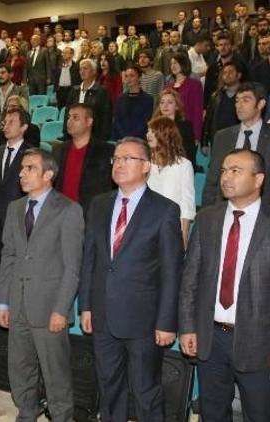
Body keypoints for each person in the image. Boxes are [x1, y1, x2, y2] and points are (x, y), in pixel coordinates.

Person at [180, 148, 270, 421]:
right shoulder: (206, 219)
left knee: (259, 415)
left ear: (258, 179)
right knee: (212, 413)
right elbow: (191, 279)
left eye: (235, 170)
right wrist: (188, 326)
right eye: (224, 170)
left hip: (260, 343)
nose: (226, 177)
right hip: (211, 339)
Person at [80, 137, 183, 421]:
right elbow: (90, 258)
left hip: (144, 321)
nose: (119, 164)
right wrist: (86, 305)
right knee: (108, 389)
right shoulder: (99, 204)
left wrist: (166, 322)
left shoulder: (164, 210)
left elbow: (172, 271)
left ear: (146, 166)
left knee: (145, 392)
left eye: (128, 158)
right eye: (116, 158)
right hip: (103, 316)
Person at [0, 148, 84, 422]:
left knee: (55, 377)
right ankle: (27, 414)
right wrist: (2, 301)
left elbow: (73, 267)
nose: (21, 173)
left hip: (49, 310)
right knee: (20, 371)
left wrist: (61, 309)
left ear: (48, 175)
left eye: (30, 168)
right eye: (22, 168)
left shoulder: (69, 210)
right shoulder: (14, 208)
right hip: (18, 305)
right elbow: (8, 255)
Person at [203, 83, 270, 211]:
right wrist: (208, 214)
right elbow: (212, 181)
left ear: (261, 104)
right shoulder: (222, 136)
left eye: (246, 100)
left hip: (264, 214)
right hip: (225, 210)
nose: (239, 106)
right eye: (237, 101)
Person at [53, 103, 115, 214]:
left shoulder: (105, 151)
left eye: (75, 117)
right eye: (69, 117)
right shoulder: (58, 149)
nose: (69, 121)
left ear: (89, 122)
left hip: (90, 214)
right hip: (59, 213)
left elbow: (108, 188)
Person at [0, 107, 33, 240]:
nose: (6, 125)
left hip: (18, 218)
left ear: (23, 127)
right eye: (5, 122)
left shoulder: (31, 154)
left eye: (11, 122)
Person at [146, 118, 196, 246]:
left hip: (171, 225)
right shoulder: (144, 162)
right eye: (148, 131)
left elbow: (187, 203)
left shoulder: (184, 165)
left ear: (166, 135)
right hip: (146, 224)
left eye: (153, 131)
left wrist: (184, 234)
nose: (148, 134)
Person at [64, 58, 112, 142]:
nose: (82, 71)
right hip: (73, 136)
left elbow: (106, 116)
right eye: (80, 69)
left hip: (94, 137)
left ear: (94, 72)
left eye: (85, 68)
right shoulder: (74, 90)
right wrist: (66, 133)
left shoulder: (101, 91)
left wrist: (102, 138)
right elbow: (67, 113)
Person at [153, 88, 198, 171]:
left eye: (169, 102)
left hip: (179, 168)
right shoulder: (153, 126)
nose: (165, 105)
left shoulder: (186, 126)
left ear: (177, 106)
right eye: (162, 102)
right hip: (157, 168)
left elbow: (190, 153)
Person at [165, 53, 204, 144]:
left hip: (186, 131)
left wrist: (196, 135)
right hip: (169, 131)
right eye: (171, 63)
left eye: (176, 63)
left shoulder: (194, 85)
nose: (173, 66)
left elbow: (197, 111)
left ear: (184, 64)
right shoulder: (168, 86)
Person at [0, 64, 29, 144]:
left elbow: (25, 114)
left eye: (3, 73)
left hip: (13, 134)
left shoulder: (20, 91)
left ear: (11, 74)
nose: (0, 76)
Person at [203, 62, 242, 149]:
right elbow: (208, 120)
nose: (227, 75)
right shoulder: (216, 96)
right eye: (224, 73)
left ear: (239, 75)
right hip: (218, 140)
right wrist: (204, 142)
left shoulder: (245, 95)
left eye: (231, 72)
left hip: (238, 140)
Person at [114, 66, 154, 141]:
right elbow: (117, 121)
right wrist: (124, 136)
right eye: (126, 76)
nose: (129, 79)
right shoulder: (120, 99)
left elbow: (145, 122)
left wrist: (132, 137)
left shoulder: (148, 99)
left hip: (140, 140)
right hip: (122, 140)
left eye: (132, 76)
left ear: (139, 78)